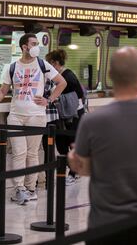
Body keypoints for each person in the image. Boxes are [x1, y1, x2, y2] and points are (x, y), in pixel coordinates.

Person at [69, 47, 137, 245]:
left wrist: (73, 159)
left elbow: (85, 168)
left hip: (106, 221)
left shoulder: (93, 120)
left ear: (110, 75)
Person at [0, 33, 67, 204]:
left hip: (36, 116)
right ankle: (19, 188)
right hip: (16, 115)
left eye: (37, 43)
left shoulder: (43, 64)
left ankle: (31, 188)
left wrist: (49, 99)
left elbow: (62, 82)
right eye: (34, 43)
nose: (37, 46)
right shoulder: (12, 67)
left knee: (32, 154)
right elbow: (2, 91)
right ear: (24, 47)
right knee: (18, 153)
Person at [45, 49, 85, 185]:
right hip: (61, 114)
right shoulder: (54, 77)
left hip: (73, 114)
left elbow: (79, 94)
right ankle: (70, 168)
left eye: (49, 63)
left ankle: (74, 172)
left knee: (72, 142)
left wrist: (60, 99)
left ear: (55, 63)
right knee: (61, 143)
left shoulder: (68, 75)